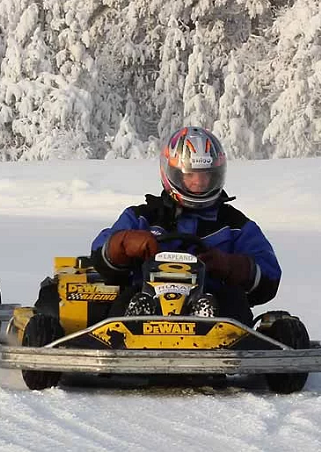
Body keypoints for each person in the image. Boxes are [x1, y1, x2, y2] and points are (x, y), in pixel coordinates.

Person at [90, 126, 281, 326]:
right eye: (190, 175)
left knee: (234, 302)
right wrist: (123, 243)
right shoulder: (142, 218)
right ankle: (130, 328)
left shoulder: (235, 226)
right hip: (147, 296)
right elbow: (100, 252)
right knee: (125, 299)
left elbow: (269, 274)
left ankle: (209, 323)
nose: (198, 183)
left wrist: (231, 266)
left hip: (215, 303)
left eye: (205, 175)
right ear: (173, 174)